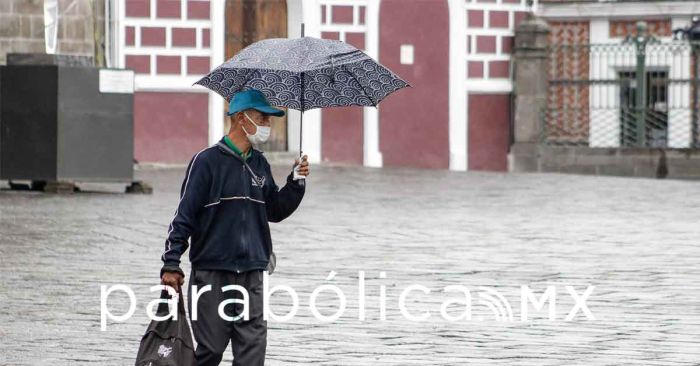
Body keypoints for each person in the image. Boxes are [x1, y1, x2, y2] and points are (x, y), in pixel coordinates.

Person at [160, 89, 309, 365]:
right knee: (210, 350)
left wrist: (295, 181)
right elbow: (184, 216)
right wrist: (171, 263)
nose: (267, 125)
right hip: (213, 273)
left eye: (269, 119)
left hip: (253, 274)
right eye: (262, 118)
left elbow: (274, 210)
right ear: (241, 118)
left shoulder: (260, 163)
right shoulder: (206, 162)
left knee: (252, 355)